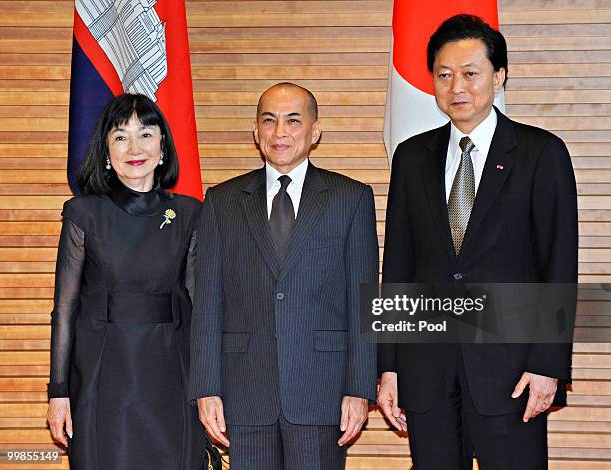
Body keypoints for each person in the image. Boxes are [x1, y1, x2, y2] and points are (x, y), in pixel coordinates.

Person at [377, 14, 578, 469]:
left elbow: (558, 265)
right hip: (426, 371)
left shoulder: (540, 154)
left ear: (499, 76)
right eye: (444, 75)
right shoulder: (412, 157)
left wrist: (548, 365)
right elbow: (399, 267)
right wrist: (388, 366)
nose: (457, 87)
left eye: (470, 73)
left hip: (511, 372)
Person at [188, 82, 378, 469]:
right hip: (245, 392)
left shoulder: (351, 198)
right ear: (256, 133)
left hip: (321, 390)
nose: (280, 132)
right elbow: (207, 301)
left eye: (293, 120)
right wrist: (206, 387)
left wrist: (359, 389)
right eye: (269, 121)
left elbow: (364, 301)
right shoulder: (223, 201)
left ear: (315, 130)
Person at [46, 94, 205, 469]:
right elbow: (65, 310)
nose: (134, 148)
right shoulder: (83, 213)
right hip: (102, 378)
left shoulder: (190, 213)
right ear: (106, 152)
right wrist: (58, 392)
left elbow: (201, 306)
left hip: (174, 377)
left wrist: (211, 387)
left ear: (163, 146)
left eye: (146, 134)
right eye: (120, 137)